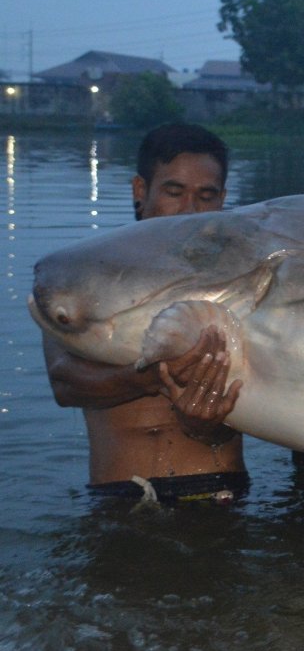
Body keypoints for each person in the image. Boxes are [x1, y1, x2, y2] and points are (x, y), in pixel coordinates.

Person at [42, 123, 247, 503]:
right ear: (141, 190)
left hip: (217, 490)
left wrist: (205, 424)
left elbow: (253, 398)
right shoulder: (88, 276)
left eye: (206, 195)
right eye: (174, 192)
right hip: (118, 491)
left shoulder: (240, 283)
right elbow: (65, 383)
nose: (190, 209)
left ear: (222, 199)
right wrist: (152, 377)